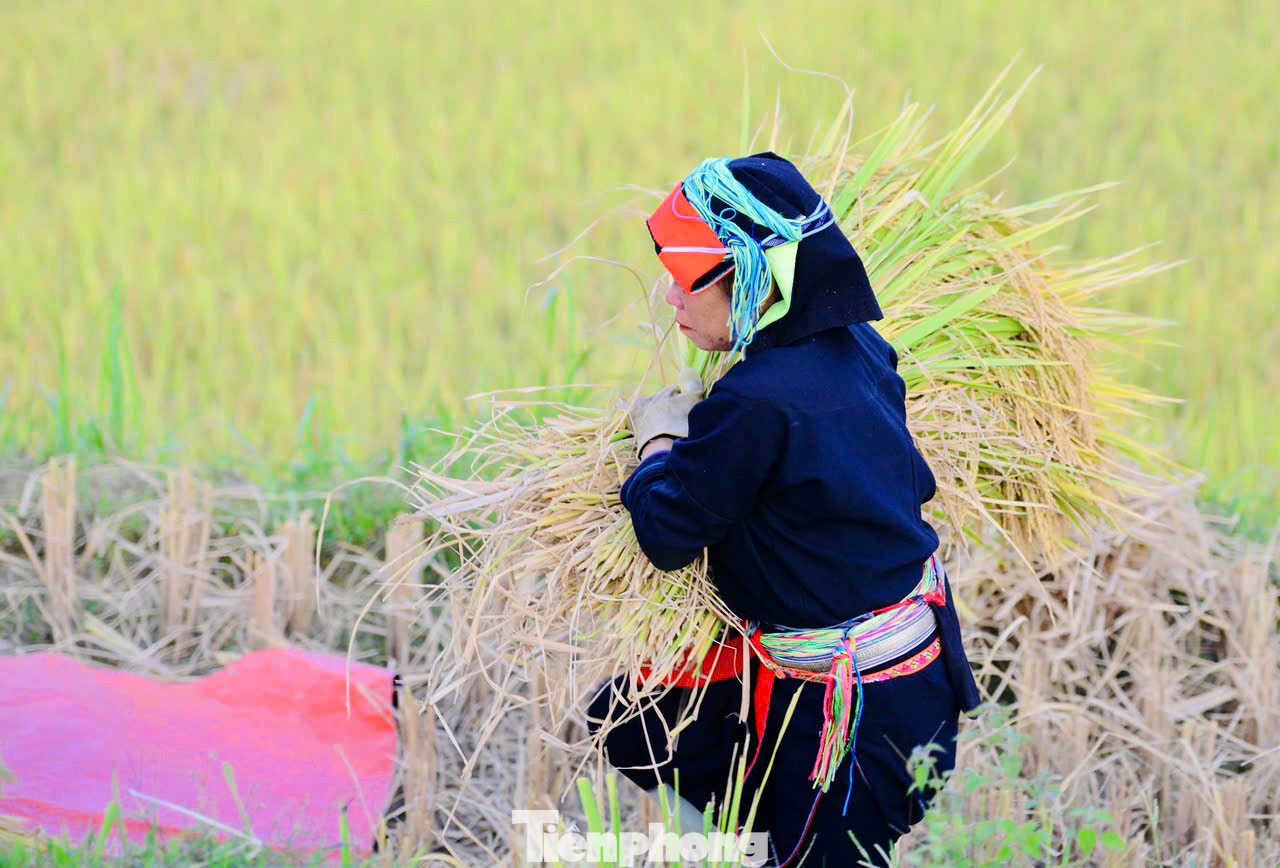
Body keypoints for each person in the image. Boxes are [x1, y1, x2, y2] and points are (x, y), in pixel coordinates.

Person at [585, 153, 982, 866]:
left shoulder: (756, 400)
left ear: (752, 274)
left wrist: (658, 444)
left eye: (685, 277)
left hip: (858, 714)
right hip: (904, 678)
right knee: (634, 723)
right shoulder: (858, 344)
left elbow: (666, 534)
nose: (670, 296)